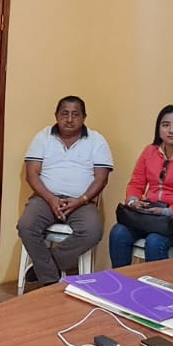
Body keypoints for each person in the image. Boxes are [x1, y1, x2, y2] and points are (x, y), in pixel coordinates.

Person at [17, 96, 113, 285]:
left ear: (84, 117)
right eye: (64, 114)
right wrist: (50, 198)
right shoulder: (43, 137)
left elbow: (101, 179)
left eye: (75, 114)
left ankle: (44, 267)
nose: (69, 119)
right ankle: (50, 281)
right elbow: (31, 174)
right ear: (56, 116)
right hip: (45, 199)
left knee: (93, 231)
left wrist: (81, 200)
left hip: (82, 201)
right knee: (26, 226)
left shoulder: (97, 140)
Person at [108, 104, 173, 265]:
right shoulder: (149, 152)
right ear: (159, 129)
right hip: (152, 216)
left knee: (155, 241)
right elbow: (136, 183)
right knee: (118, 232)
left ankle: (157, 282)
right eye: (165, 125)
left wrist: (167, 211)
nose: (171, 130)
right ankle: (120, 279)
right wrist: (133, 201)